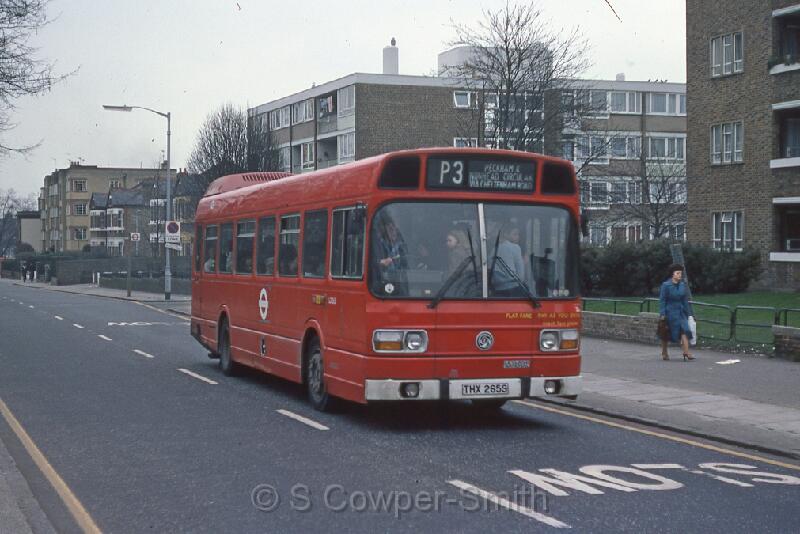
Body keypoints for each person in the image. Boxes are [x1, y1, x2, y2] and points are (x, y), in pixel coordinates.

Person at [659, 263, 695, 361]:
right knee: (666, 333)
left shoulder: (683, 285)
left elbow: (685, 300)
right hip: (669, 313)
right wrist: (662, 314)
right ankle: (664, 352)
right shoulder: (666, 285)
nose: (680, 275)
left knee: (685, 330)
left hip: (681, 312)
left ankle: (686, 352)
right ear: (672, 274)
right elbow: (662, 300)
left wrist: (689, 314)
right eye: (678, 273)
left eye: (681, 273)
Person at [375, 219, 408, 294]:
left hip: (402, 283)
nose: (393, 231)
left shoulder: (402, 245)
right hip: (383, 284)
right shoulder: (378, 245)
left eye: (395, 229)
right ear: (384, 230)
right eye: (390, 229)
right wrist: (380, 262)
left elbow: (408, 263)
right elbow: (369, 263)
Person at [492, 225, 526, 296]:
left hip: (497, 290)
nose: (518, 237)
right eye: (515, 234)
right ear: (506, 235)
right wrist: (524, 262)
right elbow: (521, 276)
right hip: (513, 289)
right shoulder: (515, 247)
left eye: (518, 234)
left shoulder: (494, 249)